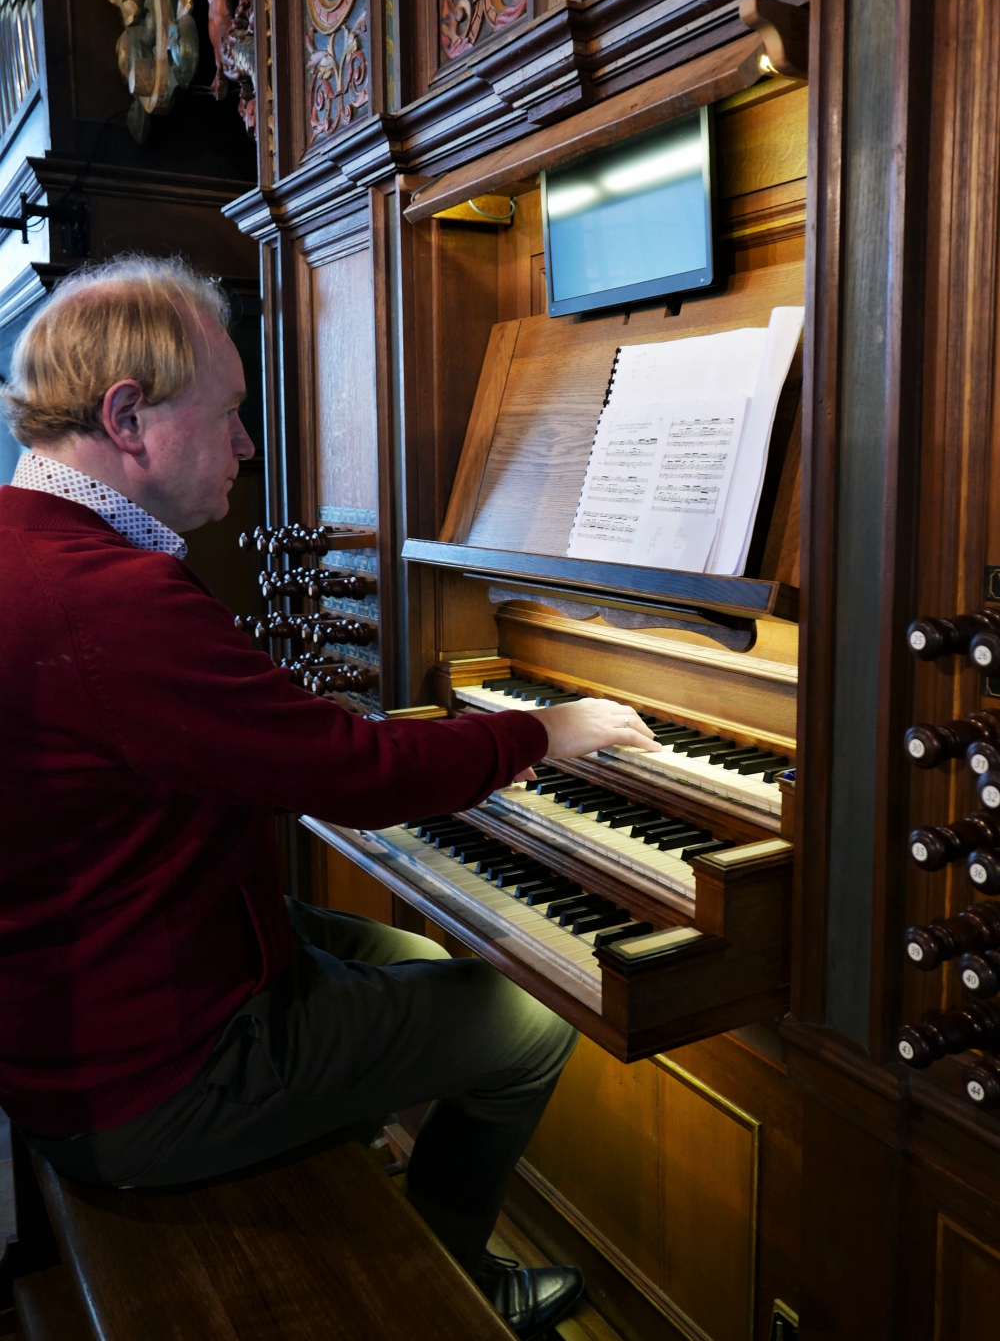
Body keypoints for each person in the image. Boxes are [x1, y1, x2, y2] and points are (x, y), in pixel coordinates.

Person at [0, 256, 660, 1338]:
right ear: (127, 417)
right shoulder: (106, 599)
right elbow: (354, 776)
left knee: (446, 966)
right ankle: (457, 1287)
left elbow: (263, 751)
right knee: (536, 1021)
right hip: (151, 1073)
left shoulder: (30, 545)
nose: (248, 447)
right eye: (231, 414)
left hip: (124, 983)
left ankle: (390, 1190)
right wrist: (546, 726)